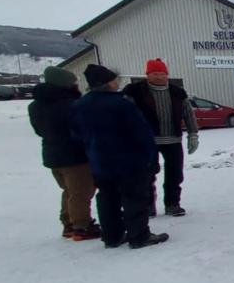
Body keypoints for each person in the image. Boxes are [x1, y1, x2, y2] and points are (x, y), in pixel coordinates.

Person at [70, 64, 168, 249]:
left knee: (107, 198)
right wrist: (150, 157)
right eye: (114, 79)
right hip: (129, 161)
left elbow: (76, 135)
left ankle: (112, 236)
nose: (117, 82)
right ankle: (139, 236)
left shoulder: (79, 105)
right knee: (134, 197)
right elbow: (142, 133)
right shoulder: (121, 104)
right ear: (107, 83)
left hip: (99, 161)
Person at [28, 66, 99, 241]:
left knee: (69, 190)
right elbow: (83, 129)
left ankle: (68, 222)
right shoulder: (72, 105)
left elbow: (39, 130)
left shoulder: (35, 106)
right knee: (81, 191)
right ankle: (81, 226)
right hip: (75, 155)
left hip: (52, 154)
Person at [122, 58, 198, 217]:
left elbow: (188, 114)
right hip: (146, 141)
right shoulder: (134, 91)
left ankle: (172, 204)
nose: (159, 77)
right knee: (147, 174)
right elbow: (125, 115)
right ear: (147, 75)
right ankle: (148, 205)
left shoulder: (177, 92)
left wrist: (193, 134)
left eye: (162, 74)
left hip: (173, 139)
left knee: (175, 174)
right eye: (155, 74)